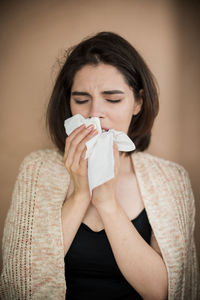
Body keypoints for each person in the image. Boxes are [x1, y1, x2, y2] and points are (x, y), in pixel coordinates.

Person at [0, 31, 199, 300]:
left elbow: (163, 293)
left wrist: (107, 203)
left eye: (113, 99)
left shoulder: (170, 179)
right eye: (81, 100)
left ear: (138, 102)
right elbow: (21, 284)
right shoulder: (37, 170)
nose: (94, 113)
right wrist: (81, 194)